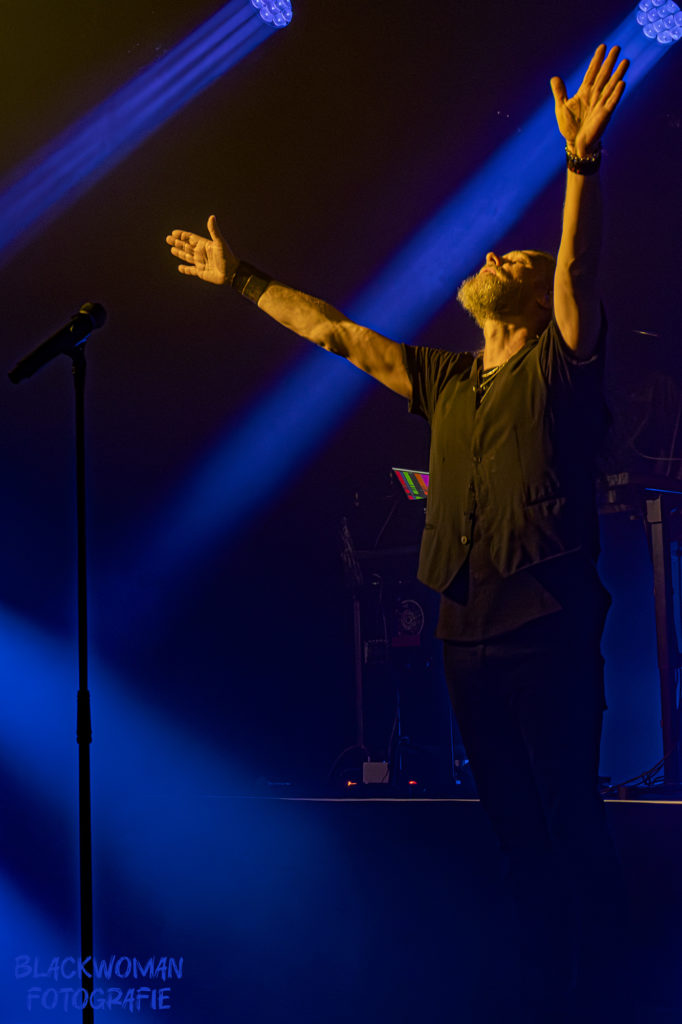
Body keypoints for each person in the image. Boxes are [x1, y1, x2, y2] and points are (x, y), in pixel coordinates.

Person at [166, 44, 630, 1023]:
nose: (493, 256)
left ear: (537, 300)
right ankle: (539, 980)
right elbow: (336, 333)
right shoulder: (447, 379)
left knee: (568, 814)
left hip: (546, 617)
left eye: (514, 261)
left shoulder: (560, 364)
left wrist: (579, 163)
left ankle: (605, 984)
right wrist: (241, 279)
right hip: (467, 623)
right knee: (510, 821)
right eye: (496, 253)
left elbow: (577, 266)